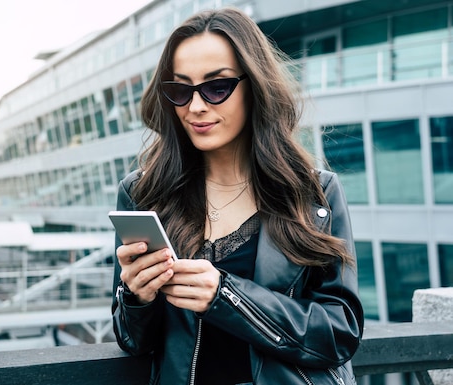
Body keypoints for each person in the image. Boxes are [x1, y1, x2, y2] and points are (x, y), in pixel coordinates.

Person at [111, 7, 364, 385]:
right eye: (180, 90)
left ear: (255, 86)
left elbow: (339, 332)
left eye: (217, 87)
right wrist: (136, 297)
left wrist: (227, 296)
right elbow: (132, 341)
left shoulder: (314, 193)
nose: (196, 107)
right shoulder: (143, 192)